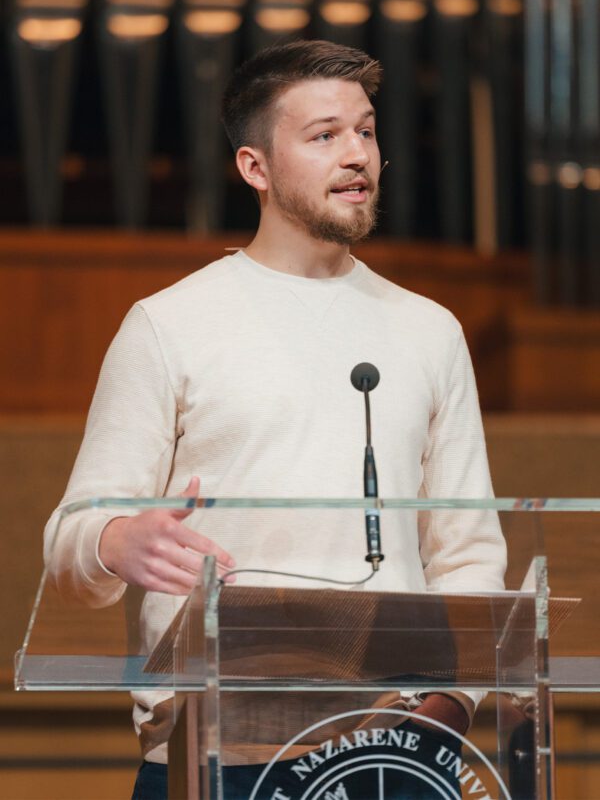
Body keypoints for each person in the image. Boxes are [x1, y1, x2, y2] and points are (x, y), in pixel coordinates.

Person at [44, 40, 506, 799]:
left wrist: (450, 709)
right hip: (217, 754)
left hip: (398, 751)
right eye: (323, 136)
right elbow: (70, 541)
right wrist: (116, 539)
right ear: (255, 167)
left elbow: (468, 552)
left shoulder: (431, 330)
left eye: (365, 130)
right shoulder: (170, 324)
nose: (356, 154)